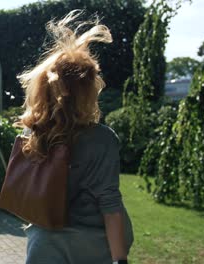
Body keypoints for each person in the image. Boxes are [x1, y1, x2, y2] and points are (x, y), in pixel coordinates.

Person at [16, 10, 133, 264]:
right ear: (88, 90)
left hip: (45, 246)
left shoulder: (32, 134)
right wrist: (120, 260)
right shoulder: (103, 139)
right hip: (95, 247)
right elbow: (110, 204)